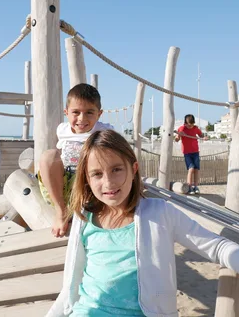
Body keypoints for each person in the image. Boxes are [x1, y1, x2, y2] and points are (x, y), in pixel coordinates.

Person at [46, 129, 239, 317]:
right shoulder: (84, 218)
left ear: (133, 169)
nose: (108, 182)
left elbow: (217, 247)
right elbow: (71, 283)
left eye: (116, 169)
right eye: (97, 174)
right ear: (86, 179)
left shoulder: (160, 213)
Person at [38, 83, 113, 238]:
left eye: (89, 113)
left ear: (99, 114)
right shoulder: (62, 130)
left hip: (90, 188)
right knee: (48, 156)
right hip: (64, 189)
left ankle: (90, 212)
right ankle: (61, 211)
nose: (82, 118)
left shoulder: (105, 131)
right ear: (66, 113)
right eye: (76, 112)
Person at [175, 114, 208, 195]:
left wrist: (204, 137)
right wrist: (179, 135)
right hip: (187, 152)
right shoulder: (182, 128)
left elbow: (201, 135)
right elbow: (176, 139)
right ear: (185, 123)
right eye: (188, 125)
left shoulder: (195, 128)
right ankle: (189, 186)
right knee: (191, 169)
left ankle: (195, 186)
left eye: (192, 124)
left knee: (196, 169)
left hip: (195, 151)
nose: (190, 126)